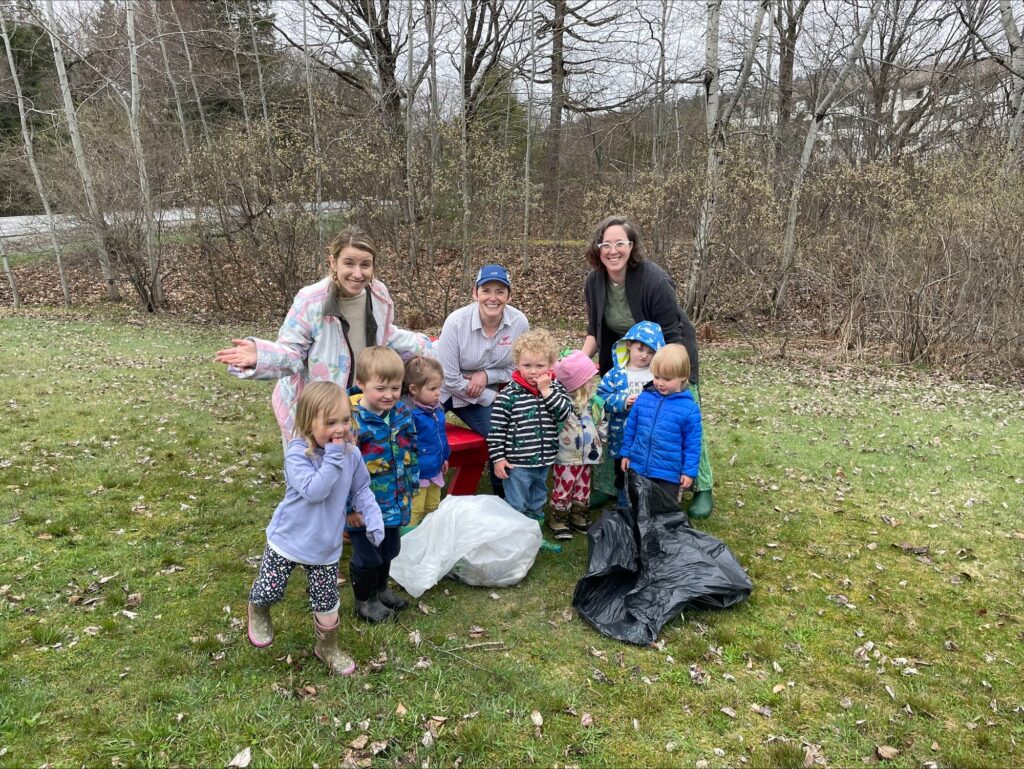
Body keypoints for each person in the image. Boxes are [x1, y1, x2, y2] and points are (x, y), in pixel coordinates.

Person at [215, 226, 433, 443]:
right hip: (315, 409)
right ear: (333, 262)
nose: (358, 274)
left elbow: (385, 334)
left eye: (365, 264)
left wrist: (427, 345)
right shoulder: (311, 300)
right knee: (312, 475)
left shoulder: (378, 293)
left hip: (359, 407)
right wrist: (262, 356)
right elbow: (293, 353)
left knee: (354, 473)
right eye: (349, 263)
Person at [246, 381, 383, 676]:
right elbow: (314, 490)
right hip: (288, 539)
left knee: (327, 601)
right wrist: (334, 456)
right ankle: (258, 608)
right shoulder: (298, 454)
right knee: (270, 589)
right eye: (331, 422)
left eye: (345, 420)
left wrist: (373, 516)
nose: (340, 428)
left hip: (325, 546)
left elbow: (361, 489)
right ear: (310, 423)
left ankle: (327, 647)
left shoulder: (351, 455)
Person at [581, 216, 714, 518]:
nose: (612, 251)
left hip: (669, 354)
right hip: (625, 359)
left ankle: (703, 486)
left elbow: (673, 334)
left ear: (631, 246)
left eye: (620, 243)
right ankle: (608, 485)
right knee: (612, 420)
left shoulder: (654, 280)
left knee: (682, 414)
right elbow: (594, 331)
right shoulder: (594, 282)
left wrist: (669, 377)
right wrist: (578, 362)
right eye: (606, 244)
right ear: (597, 248)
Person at [437, 264, 529, 497]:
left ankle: (503, 496)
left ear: (509, 295)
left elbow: (517, 368)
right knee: (426, 433)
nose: (493, 297)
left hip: (477, 394)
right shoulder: (456, 322)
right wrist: (491, 396)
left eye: (500, 291)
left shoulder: (519, 322)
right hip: (443, 390)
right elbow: (448, 378)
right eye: (486, 290)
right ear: (475, 293)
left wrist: (487, 375)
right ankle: (420, 499)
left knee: (503, 431)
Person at [346, 347, 419, 622]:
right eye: (381, 388)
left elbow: (411, 447)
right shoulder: (352, 422)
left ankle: (380, 590)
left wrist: (412, 483)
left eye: (395, 388)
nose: (389, 395)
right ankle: (365, 601)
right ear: (362, 385)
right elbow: (342, 472)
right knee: (368, 557)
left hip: (395, 499)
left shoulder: (401, 413)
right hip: (364, 508)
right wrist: (349, 510)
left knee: (389, 550)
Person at [487, 329, 573, 551]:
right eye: (527, 365)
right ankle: (513, 541)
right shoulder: (509, 395)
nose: (533, 372)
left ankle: (533, 537)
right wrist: (498, 459)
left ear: (551, 365)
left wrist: (547, 392)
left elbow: (563, 413)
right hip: (517, 464)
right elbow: (496, 430)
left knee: (537, 501)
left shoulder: (555, 389)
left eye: (540, 366)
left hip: (543, 461)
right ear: (517, 363)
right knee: (517, 503)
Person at [620, 344, 702, 504]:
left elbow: (692, 445)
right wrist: (626, 452)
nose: (660, 383)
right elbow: (632, 428)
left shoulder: (689, 409)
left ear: (683, 377)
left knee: (662, 508)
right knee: (636, 504)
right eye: (657, 377)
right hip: (638, 466)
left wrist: (688, 472)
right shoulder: (644, 398)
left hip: (667, 473)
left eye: (667, 379)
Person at [596, 321, 665, 508]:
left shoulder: (656, 375)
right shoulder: (615, 374)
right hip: (621, 436)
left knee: (646, 471)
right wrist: (623, 401)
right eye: (640, 349)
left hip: (648, 436)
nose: (644, 355)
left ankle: (645, 504)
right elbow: (601, 398)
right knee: (623, 471)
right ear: (629, 344)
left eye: (650, 352)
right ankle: (624, 504)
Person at [549, 351, 605, 540]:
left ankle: (579, 515)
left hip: (587, 455)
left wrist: (602, 438)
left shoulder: (591, 403)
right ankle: (559, 518)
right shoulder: (563, 406)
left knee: (583, 487)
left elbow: (600, 422)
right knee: (564, 487)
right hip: (566, 457)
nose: (593, 383)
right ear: (577, 384)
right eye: (589, 380)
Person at [403, 355, 450, 530]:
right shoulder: (409, 415)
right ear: (414, 389)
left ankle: (430, 539)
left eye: (440, 387)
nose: (438, 392)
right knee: (415, 509)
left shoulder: (437, 410)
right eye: (433, 388)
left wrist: (444, 457)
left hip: (435, 469)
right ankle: (408, 544)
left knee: (433, 507)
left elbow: (441, 437)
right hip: (418, 473)